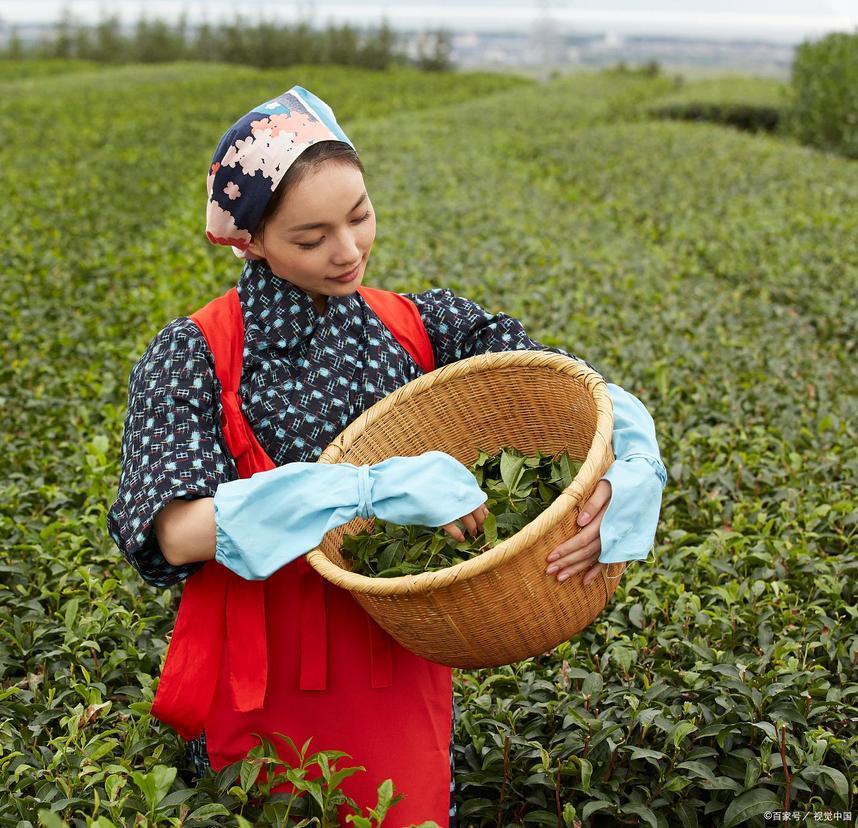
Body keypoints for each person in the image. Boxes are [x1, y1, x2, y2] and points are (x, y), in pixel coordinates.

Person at [107, 85, 665, 826]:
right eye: (311, 238)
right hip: (261, 678)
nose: (348, 251)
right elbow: (172, 530)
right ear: (252, 241)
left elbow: (563, 388)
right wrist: (363, 490)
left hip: (401, 665)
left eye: (359, 215)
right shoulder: (197, 355)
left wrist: (634, 454)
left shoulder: (423, 326)